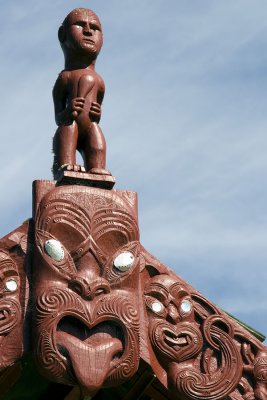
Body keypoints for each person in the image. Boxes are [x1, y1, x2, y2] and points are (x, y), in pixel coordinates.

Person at [52, 8, 109, 176]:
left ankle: (96, 166)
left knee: (96, 137)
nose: (88, 31)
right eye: (80, 25)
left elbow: (97, 106)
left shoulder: (99, 81)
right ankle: (66, 164)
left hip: (90, 125)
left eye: (94, 28)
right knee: (68, 129)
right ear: (63, 35)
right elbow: (58, 116)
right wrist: (68, 112)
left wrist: (97, 113)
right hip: (72, 122)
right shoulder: (65, 77)